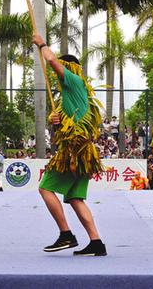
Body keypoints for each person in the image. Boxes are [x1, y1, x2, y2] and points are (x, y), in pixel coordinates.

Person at [32, 32, 107, 257]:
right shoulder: (73, 94)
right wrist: (55, 120)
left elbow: (53, 62)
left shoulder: (73, 81)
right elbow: (65, 125)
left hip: (75, 151)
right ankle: (96, 242)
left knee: (45, 188)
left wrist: (41, 43)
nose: (57, 76)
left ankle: (66, 234)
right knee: (75, 198)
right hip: (82, 150)